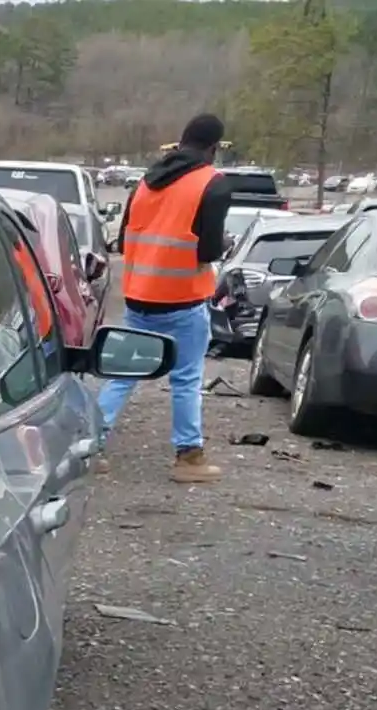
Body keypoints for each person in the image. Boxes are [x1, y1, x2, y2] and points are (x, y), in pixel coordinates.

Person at [102, 113, 237, 482]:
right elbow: (207, 250)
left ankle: (88, 444)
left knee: (122, 374)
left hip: (138, 296)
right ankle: (188, 457)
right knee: (186, 379)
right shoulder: (213, 184)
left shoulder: (145, 182)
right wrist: (224, 244)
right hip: (183, 300)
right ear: (213, 147)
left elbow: (125, 236)